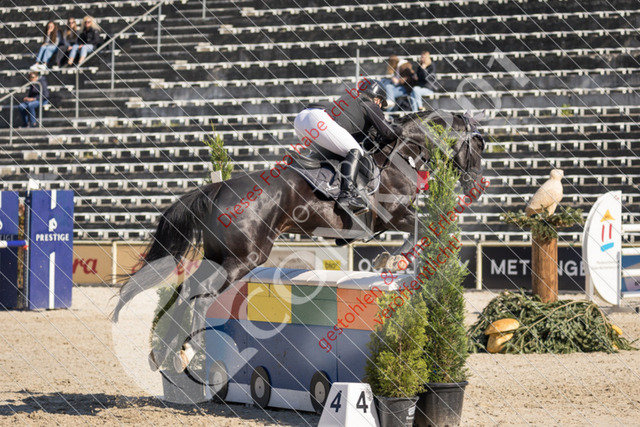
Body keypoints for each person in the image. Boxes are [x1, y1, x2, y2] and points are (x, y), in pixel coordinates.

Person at [293, 79, 402, 214]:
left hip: (302, 119)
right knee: (354, 150)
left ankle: (305, 166)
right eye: (381, 103)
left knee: (334, 152)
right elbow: (387, 132)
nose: (380, 106)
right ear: (377, 98)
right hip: (318, 119)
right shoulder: (370, 104)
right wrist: (399, 129)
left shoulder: (350, 99)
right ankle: (347, 196)